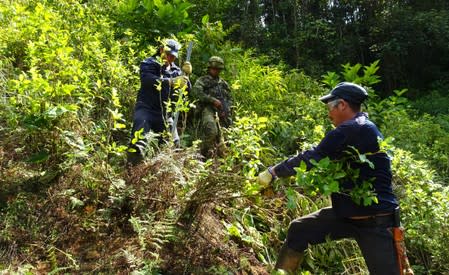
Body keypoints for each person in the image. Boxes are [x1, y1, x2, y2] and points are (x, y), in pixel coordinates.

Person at [258, 82, 401, 274]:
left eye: (330, 107)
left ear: (342, 105)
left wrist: (273, 172)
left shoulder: (353, 128)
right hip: (347, 215)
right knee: (299, 230)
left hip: (375, 221)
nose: (329, 114)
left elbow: (312, 157)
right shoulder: (359, 128)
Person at [128, 39, 191, 165]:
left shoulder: (176, 70)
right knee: (137, 143)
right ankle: (132, 174)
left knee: (173, 146)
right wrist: (170, 81)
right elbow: (147, 80)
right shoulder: (149, 63)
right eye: (168, 54)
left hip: (165, 114)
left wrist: (187, 77)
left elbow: (186, 90)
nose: (170, 58)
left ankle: (163, 175)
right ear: (161, 50)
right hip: (146, 109)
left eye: (173, 56)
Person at [191, 56, 232, 158]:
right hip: (207, 109)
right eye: (213, 69)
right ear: (209, 68)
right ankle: (203, 155)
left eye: (217, 69)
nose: (215, 71)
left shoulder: (223, 84)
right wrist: (212, 100)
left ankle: (221, 158)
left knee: (228, 134)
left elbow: (229, 99)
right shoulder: (202, 80)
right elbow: (196, 92)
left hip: (222, 111)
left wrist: (225, 109)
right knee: (211, 130)